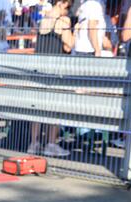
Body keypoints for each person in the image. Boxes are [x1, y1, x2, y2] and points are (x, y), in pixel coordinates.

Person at [28, 0, 74, 157]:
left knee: (38, 107)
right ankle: (51, 144)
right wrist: (74, 32)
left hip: (40, 68)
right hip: (55, 68)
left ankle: (34, 143)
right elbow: (68, 45)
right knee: (54, 107)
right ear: (62, 3)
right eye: (69, 7)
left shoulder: (44, 19)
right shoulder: (63, 20)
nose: (68, 11)